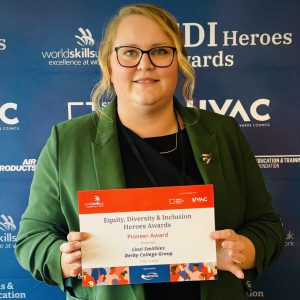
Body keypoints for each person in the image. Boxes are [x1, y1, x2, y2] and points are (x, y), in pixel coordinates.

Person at [15, 3, 285, 300]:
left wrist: (246, 250)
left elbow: (267, 226)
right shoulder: (66, 141)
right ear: (109, 64)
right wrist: (62, 259)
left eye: (159, 51)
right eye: (129, 52)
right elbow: (31, 240)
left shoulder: (223, 133)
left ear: (178, 61)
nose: (145, 64)